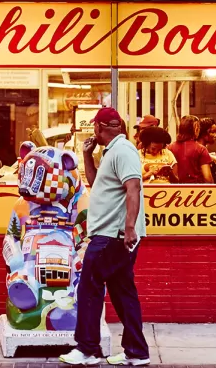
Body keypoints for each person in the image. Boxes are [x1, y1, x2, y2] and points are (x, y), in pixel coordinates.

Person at [60, 107, 149, 367]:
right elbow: (97, 182)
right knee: (122, 292)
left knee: (89, 287)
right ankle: (136, 351)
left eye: (94, 128)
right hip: (115, 234)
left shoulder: (123, 151)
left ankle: (87, 349)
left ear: (99, 127)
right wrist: (87, 155)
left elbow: (133, 188)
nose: (94, 132)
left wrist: (129, 228)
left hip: (112, 235)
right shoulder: (112, 151)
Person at [168, 115, 213, 184]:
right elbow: (208, 178)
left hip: (174, 188)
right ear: (196, 129)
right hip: (195, 188)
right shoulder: (201, 149)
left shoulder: (169, 148)